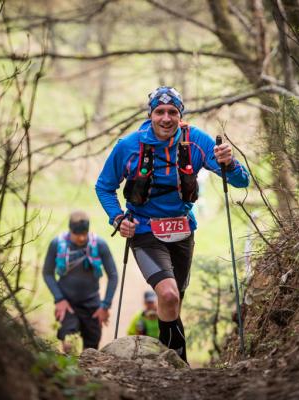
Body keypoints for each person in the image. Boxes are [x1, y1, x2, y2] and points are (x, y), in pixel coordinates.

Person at [95, 86, 250, 362]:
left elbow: (241, 181)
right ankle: (178, 359)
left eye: (172, 112)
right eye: (159, 112)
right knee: (167, 295)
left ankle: (167, 362)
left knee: (174, 300)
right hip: (144, 230)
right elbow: (104, 187)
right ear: (150, 114)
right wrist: (118, 219)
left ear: (181, 115)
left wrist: (230, 162)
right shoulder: (128, 146)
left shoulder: (196, 142)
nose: (166, 118)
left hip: (182, 231)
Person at [42, 210, 118, 352]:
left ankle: (88, 374)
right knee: (69, 344)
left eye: (85, 234)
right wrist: (59, 299)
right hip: (67, 305)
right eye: (78, 234)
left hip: (93, 306)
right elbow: (47, 273)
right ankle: (70, 373)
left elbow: (113, 275)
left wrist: (105, 305)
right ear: (70, 230)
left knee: (92, 350)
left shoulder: (99, 244)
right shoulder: (57, 244)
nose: (82, 238)